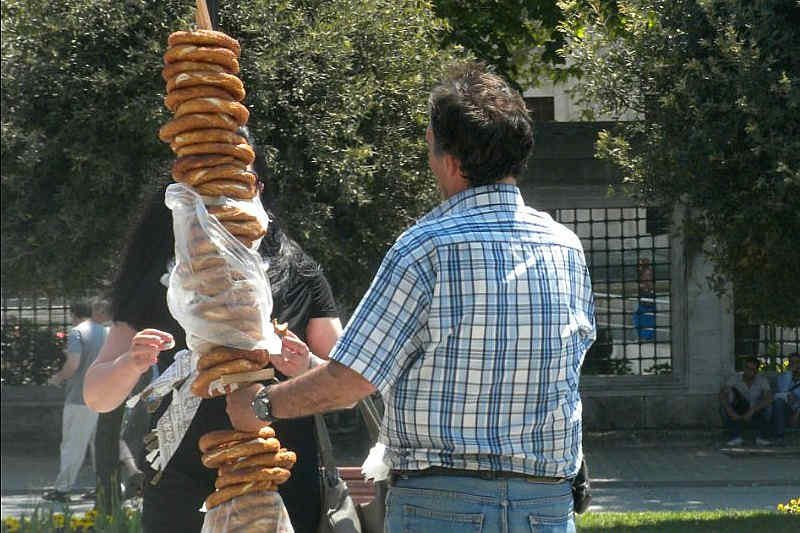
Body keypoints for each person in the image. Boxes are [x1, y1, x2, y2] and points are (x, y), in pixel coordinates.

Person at [227, 62, 596, 533]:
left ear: (451, 160)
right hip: (545, 505)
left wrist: (261, 405)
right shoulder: (565, 247)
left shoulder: (425, 247)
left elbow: (350, 381)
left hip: (440, 505)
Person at [84, 148, 342, 531]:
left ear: (259, 189)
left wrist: (306, 367)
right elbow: (97, 395)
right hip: (183, 479)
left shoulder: (296, 271)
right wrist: (131, 364)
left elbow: (349, 378)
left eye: (238, 183)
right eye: (209, 186)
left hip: (281, 472)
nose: (223, 199)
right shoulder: (164, 280)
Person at [43, 298, 110, 502]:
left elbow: (73, 364)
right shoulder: (107, 333)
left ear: (74, 314)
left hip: (80, 398)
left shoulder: (77, 332)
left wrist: (58, 377)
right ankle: (102, 488)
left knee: (73, 444)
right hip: (105, 397)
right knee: (99, 445)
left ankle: (63, 489)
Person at [719, 356, 773, 446]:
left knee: (769, 407)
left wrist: (753, 410)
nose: (749, 371)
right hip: (738, 410)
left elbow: (769, 397)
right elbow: (722, 394)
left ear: (756, 371)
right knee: (723, 407)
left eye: (752, 369)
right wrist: (730, 411)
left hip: (755, 411)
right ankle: (735, 436)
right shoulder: (735, 378)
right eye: (747, 368)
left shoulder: (762, 380)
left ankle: (762, 437)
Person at [772, 352, 800, 445]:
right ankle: (779, 437)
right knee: (778, 402)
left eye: (797, 362)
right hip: (788, 409)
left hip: (798, 410)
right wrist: (789, 373)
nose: (795, 365)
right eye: (792, 363)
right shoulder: (782, 377)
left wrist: (797, 412)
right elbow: (783, 391)